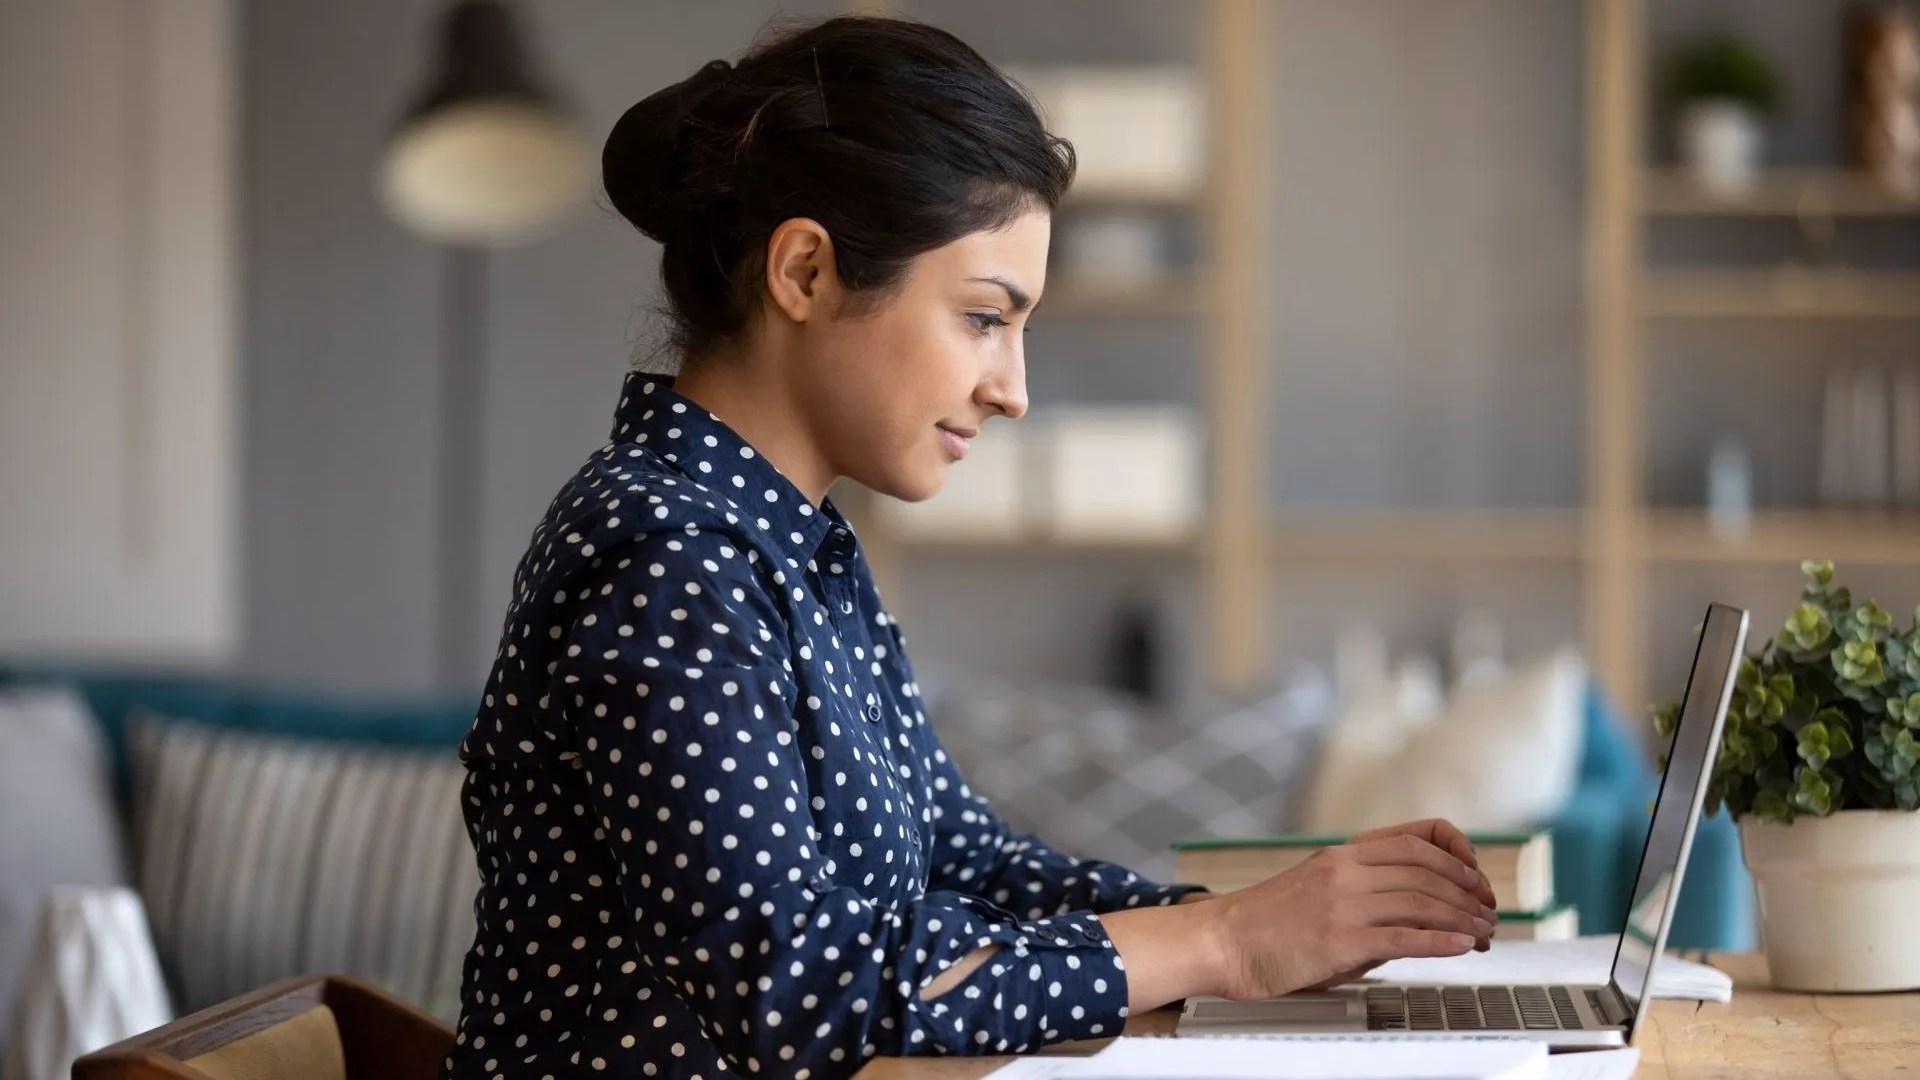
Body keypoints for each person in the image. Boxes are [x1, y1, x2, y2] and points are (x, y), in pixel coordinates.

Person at [440, 14, 1498, 1080]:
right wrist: (1221, 944)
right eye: (985, 317)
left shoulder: (793, 551)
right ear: (804, 272)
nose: (1014, 389)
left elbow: (962, 859)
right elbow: (797, 988)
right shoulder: (665, 555)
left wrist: (1257, 927)